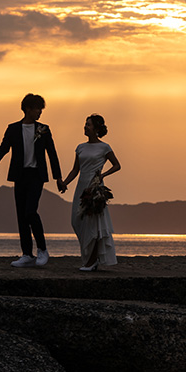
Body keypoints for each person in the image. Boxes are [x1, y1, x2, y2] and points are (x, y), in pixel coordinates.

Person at [0, 93, 64, 267]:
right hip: (20, 176)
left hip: (36, 176)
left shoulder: (44, 129)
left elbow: (52, 155)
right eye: (37, 109)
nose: (40, 112)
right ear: (28, 109)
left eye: (41, 109)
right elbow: (3, 148)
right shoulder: (13, 129)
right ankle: (27, 254)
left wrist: (58, 177)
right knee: (21, 216)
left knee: (30, 212)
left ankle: (42, 250)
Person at [60, 113, 120, 271]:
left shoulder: (104, 147)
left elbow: (116, 165)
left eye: (88, 124)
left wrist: (103, 175)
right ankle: (89, 258)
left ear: (96, 128)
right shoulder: (80, 147)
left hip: (94, 188)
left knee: (92, 225)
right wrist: (65, 183)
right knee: (76, 221)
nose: (85, 126)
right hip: (81, 187)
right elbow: (75, 170)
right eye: (85, 124)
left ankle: (91, 261)